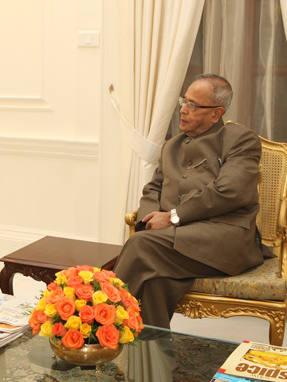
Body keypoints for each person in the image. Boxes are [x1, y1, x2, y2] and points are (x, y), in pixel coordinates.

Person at [113, 73, 273, 329]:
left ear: (216, 113)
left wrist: (173, 216)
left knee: (140, 245)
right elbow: (153, 188)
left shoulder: (240, 139)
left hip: (224, 238)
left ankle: (97, 324)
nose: (183, 111)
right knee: (154, 280)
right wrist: (148, 219)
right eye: (183, 102)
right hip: (174, 240)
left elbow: (230, 191)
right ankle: (152, 361)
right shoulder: (172, 146)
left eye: (193, 105)